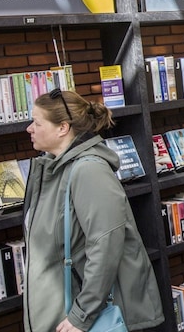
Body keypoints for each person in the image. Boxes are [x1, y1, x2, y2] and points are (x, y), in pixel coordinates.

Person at [23, 89, 163, 332]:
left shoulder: (89, 171)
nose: (29, 128)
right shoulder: (54, 170)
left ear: (62, 128)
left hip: (80, 317)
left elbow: (106, 245)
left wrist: (81, 315)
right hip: (62, 310)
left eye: (37, 122)